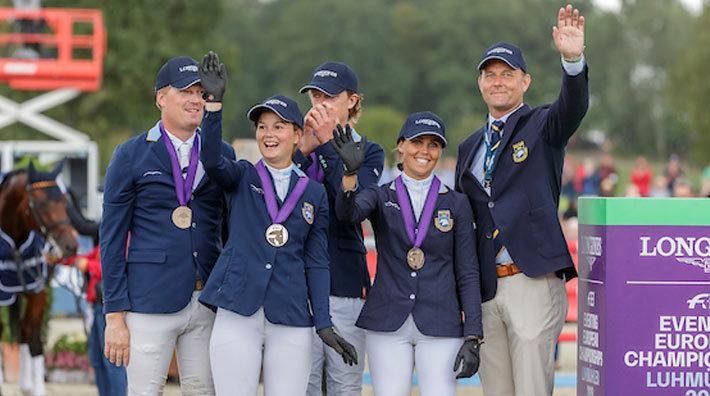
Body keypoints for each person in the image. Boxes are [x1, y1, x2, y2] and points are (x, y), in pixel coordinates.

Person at [195, 52, 357, 396]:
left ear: (298, 135)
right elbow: (210, 160)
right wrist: (213, 106)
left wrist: (324, 323)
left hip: (291, 314)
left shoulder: (313, 192)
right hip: (238, 309)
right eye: (262, 126)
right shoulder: (241, 175)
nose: (269, 134)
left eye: (279, 126)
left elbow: (316, 261)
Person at [454, 4, 588, 395]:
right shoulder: (468, 148)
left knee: (531, 388)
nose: (498, 82)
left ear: (525, 81)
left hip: (531, 280)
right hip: (487, 291)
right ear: (480, 83)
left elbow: (574, 106)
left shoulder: (543, 125)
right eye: (490, 75)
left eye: (507, 74)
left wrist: (573, 60)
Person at [100, 55, 235, 395]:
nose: (195, 100)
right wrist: (114, 314)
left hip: (206, 297)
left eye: (201, 93)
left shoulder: (223, 154)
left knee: (203, 390)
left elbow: (231, 230)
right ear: (161, 98)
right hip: (149, 298)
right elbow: (112, 238)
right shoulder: (130, 155)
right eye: (185, 91)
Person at [331, 112, 482, 394]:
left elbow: (468, 271)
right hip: (387, 319)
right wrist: (350, 175)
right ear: (401, 145)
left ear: (440, 151)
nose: (424, 151)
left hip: (440, 321)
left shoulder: (457, 203)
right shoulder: (380, 195)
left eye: (433, 145)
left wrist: (473, 334)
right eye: (417, 142)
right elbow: (347, 214)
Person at [295, 61, 385, 396]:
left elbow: (349, 209)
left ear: (352, 101)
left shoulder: (370, 151)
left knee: (343, 386)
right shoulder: (295, 146)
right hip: (297, 282)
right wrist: (303, 150)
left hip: (343, 281)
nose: (320, 103)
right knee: (300, 385)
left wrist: (331, 147)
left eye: (330, 96)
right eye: (315, 95)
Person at [65, 190, 127, 396]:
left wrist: (88, 266)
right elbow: (93, 256)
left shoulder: (127, 232)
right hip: (98, 306)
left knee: (113, 363)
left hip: (109, 309)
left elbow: (115, 265)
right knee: (98, 361)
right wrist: (62, 259)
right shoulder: (110, 233)